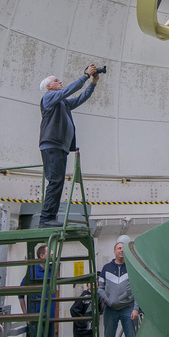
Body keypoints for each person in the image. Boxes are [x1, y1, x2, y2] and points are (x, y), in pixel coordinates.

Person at [38, 64, 99, 227]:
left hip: (60, 146)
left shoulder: (62, 103)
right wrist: (85, 76)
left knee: (57, 181)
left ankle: (50, 217)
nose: (60, 82)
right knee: (55, 181)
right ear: (48, 86)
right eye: (56, 81)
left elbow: (79, 99)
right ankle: (46, 218)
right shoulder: (48, 97)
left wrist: (92, 84)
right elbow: (68, 91)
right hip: (52, 145)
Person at [98, 240, 140, 337]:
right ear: (114, 251)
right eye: (119, 248)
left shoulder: (131, 268)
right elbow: (99, 288)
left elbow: (137, 290)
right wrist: (107, 300)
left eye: (123, 248)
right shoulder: (106, 268)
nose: (121, 250)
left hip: (128, 310)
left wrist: (135, 308)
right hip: (110, 311)